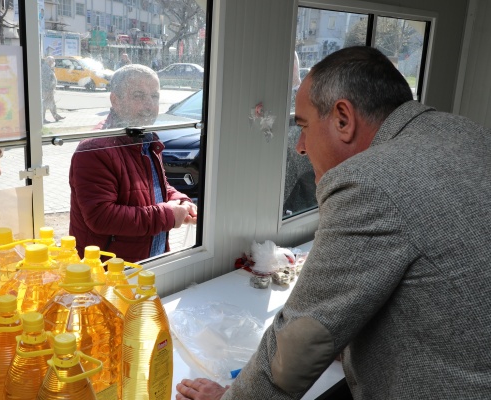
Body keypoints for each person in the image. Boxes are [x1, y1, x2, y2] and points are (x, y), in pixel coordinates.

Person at [176, 46, 491, 399]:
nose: (300, 147)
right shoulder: (466, 132)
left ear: (343, 118)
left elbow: (302, 338)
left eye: (304, 127)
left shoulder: (371, 181)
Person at [69, 64, 197, 262]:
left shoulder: (145, 137)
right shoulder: (95, 148)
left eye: (154, 97)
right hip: (111, 272)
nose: (149, 105)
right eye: (138, 96)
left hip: (148, 259)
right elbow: (101, 216)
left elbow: (155, 185)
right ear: (115, 100)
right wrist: (168, 215)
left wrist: (181, 200)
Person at [41, 56, 64, 123]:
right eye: (53, 61)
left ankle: (56, 116)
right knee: (45, 104)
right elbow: (47, 80)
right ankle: (43, 119)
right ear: (49, 61)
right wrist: (50, 89)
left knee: (52, 103)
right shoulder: (45, 68)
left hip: (48, 90)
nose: (54, 62)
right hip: (47, 90)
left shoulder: (48, 68)